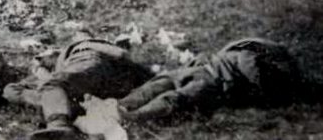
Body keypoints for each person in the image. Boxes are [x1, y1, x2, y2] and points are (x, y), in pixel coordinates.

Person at [114, 37, 312, 121]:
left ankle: (131, 114)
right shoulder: (248, 55)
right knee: (164, 83)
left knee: (175, 95)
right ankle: (122, 106)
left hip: (214, 81)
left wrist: (261, 91)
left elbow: (251, 70)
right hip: (205, 71)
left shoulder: (252, 58)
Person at [12, 30, 152, 140]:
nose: (75, 37)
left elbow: (120, 53)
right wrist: (39, 69)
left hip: (89, 66)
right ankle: (62, 108)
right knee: (44, 87)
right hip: (87, 82)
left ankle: (59, 125)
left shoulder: (87, 44)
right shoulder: (64, 56)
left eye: (78, 35)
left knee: (52, 85)